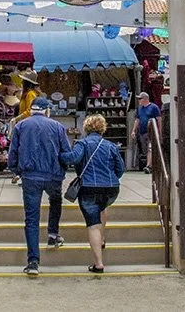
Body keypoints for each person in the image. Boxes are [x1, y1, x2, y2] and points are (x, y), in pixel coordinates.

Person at [8, 96, 71, 276]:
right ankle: (52, 234)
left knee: (31, 219)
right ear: (47, 110)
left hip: (30, 176)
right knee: (56, 200)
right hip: (53, 174)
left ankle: (33, 261)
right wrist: (63, 167)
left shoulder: (21, 126)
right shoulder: (57, 127)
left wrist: (17, 170)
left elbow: (13, 153)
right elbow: (65, 152)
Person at [60, 114, 123, 273]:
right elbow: (120, 170)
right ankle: (102, 239)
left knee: (93, 224)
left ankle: (99, 263)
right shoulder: (111, 146)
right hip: (111, 188)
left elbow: (72, 159)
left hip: (88, 187)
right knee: (102, 207)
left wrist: (59, 154)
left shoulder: (82, 144)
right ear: (102, 128)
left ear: (86, 128)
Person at [130, 92, 162, 173]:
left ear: (145, 99)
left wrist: (159, 131)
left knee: (150, 148)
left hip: (151, 132)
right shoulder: (139, 109)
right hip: (142, 132)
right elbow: (137, 120)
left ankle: (148, 166)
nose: (139, 100)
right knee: (146, 150)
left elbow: (159, 119)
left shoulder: (154, 107)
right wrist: (133, 130)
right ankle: (151, 164)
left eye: (140, 99)